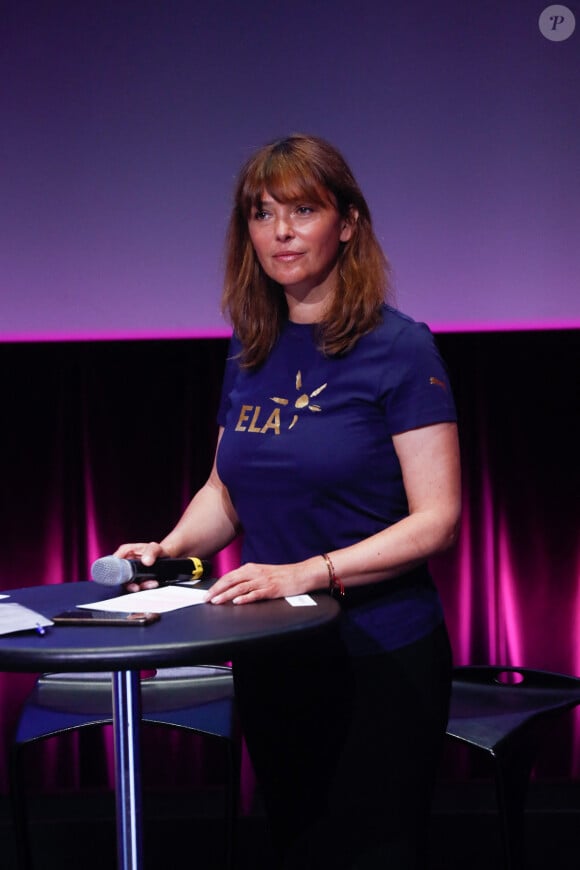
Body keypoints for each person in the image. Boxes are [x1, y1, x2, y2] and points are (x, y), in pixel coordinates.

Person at [114, 134, 461, 868]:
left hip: (380, 655)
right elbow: (223, 491)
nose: (280, 231)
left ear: (348, 223)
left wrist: (307, 571)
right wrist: (169, 551)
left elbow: (438, 519)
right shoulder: (250, 346)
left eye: (303, 209)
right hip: (275, 653)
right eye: (262, 212)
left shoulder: (400, 348)